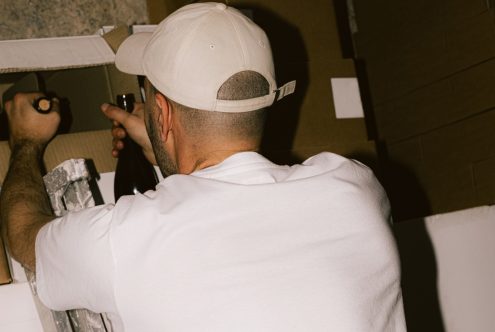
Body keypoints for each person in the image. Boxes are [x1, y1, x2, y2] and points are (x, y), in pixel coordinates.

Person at [0, 2, 406, 331]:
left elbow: (23, 236)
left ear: (161, 113)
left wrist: (25, 143)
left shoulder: (125, 240)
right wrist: (167, 153)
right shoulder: (356, 189)